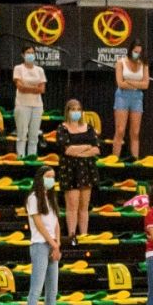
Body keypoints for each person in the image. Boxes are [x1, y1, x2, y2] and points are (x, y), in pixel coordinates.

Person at [54, 99, 99, 246]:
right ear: (67, 112)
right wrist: (86, 147)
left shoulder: (89, 127)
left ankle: (84, 235)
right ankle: (72, 235)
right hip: (70, 170)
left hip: (87, 169)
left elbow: (96, 149)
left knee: (84, 206)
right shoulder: (62, 128)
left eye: (78, 109)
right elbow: (67, 150)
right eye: (73, 109)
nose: (76, 112)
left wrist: (79, 151)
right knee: (72, 205)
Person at [25, 169, 60, 305]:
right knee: (36, 289)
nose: (51, 180)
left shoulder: (51, 199)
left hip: (53, 245)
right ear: (40, 178)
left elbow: (56, 224)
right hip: (40, 245)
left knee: (52, 292)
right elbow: (39, 224)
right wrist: (52, 244)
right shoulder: (33, 198)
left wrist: (57, 243)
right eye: (48, 177)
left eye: (53, 177)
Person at [111, 42, 148, 160]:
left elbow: (146, 85)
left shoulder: (144, 64)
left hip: (137, 97)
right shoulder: (121, 62)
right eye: (135, 51)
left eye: (140, 52)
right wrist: (137, 84)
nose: (137, 54)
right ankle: (114, 159)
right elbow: (120, 83)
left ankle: (135, 159)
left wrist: (129, 82)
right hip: (122, 96)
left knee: (135, 132)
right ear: (130, 50)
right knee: (120, 130)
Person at [12, 45, 46, 159]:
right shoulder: (18, 68)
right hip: (22, 105)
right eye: (28, 52)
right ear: (23, 55)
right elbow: (20, 87)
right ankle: (20, 157)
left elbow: (42, 89)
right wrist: (34, 88)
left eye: (32, 53)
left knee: (34, 135)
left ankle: (32, 157)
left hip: (37, 106)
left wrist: (27, 87)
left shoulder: (40, 70)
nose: (30, 55)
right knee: (22, 134)